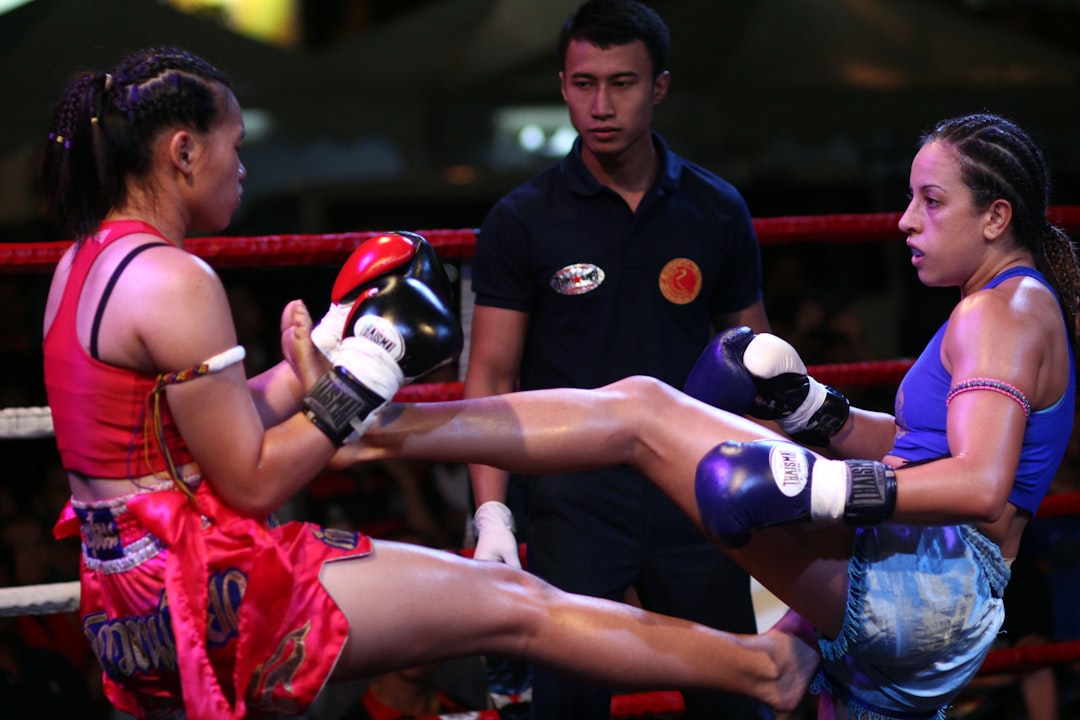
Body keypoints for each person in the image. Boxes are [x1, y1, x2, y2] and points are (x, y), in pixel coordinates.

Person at [38, 46, 819, 720]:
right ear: (183, 152)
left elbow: (198, 433)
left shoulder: (82, 266)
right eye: (233, 147)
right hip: (208, 593)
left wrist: (333, 342)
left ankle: (760, 667)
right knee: (519, 606)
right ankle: (768, 669)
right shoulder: (178, 280)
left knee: (508, 603)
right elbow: (250, 481)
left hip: (127, 605)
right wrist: (364, 377)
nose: (242, 168)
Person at [337, 112, 1080, 720]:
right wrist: (817, 412)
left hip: (930, 580)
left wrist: (826, 487)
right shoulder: (1008, 304)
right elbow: (931, 447)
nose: (905, 220)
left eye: (932, 201)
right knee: (763, 659)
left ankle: (374, 424)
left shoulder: (1001, 313)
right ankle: (373, 426)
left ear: (996, 216)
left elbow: (979, 484)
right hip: (931, 588)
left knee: (644, 409)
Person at [465, 1, 769, 715]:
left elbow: (758, 360)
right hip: (573, 499)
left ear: (658, 86)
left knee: (734, 697)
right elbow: (492, 374)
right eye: (584, 83)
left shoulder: (716, 208)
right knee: (568, 704)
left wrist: (775, 483)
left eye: (622, 83)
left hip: (697, 489)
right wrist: (492, 516)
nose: (600, 105)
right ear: (563, 86)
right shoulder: (521, 218)